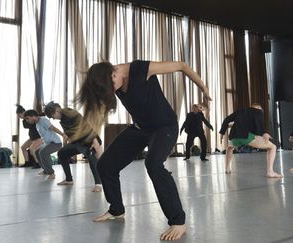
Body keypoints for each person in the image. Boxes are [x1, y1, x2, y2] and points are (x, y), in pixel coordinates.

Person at [76, 60, 211, 241]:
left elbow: (182, 65)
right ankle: (117, 209)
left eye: (112, 86)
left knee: (153, 164)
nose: (113, 92)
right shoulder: (109, 81)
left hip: (165, 126)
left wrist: (203, 88)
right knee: (106, 165)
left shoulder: (140, 69)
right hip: (140, 129)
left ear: (114, 72)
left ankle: (178, 221)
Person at [44, 102, 103, 192]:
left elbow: (85, 125)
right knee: (62, 153)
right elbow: (69, 131)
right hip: (78, 142)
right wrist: (67, 139)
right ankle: (69, 180)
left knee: (91, 156)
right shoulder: (63, 117)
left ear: (56, 111)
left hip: (89, 140)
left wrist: (95, 141)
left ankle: (98, 184)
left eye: (52, 116)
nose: (52, 118)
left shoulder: (69, 113)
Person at [219, 103, 282, 177]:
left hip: (234, 138)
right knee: (273, 147)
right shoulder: (258, 112)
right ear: (257, 108)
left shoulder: (240, 111)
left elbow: (226, 120)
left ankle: (227, 168)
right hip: (246, 137)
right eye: (259, 108)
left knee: (229, 148)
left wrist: (222, 133)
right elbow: (260, 124)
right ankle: (270, 172)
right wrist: (264, 133)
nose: (259, 109)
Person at [24, 110, 64, 179]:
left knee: (43, 152)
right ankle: (46, 170)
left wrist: (63, 135)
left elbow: (53, 128)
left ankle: (51, 173)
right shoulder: (37, 124)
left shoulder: (43, 121)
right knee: (37, 152)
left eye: (27, 118)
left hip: (56, 143)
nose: (27, 120)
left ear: (33, 116)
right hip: (49, 143)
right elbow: (44, 136)